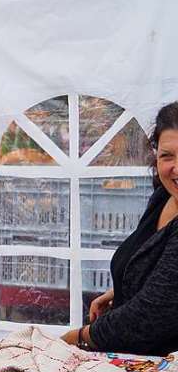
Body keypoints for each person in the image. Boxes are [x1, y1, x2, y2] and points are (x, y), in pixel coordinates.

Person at [63, 102, 178, 355]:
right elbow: (156, 266)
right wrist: (124, 288)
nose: (176, 168)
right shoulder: (164, 197)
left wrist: (75, 338)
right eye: (167, 156)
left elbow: (147, 319)